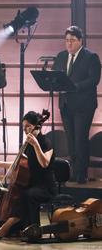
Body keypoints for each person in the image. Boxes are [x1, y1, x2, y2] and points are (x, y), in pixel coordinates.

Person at [0, 111, 55, 240]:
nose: (25, 129)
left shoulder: (45, 142)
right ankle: (18, 228)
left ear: (38, 126)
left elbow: (44, 163)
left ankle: (33, 230)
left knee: (27, 195)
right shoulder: (27, 145)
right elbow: (19, 164)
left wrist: (36, 144)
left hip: (45, 187)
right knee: (15, 194)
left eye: (28, 126)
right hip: (31, 183)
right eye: (23, 126)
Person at [52, 26, 101, 184]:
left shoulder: (91, 57)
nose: (69, 44)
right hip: (65, 104)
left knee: (80, 138)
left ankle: (82, 173)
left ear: (80, 40)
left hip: (84, 105)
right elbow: (55, 75)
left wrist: (74, 86)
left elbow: (94, 80)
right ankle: (73, 171)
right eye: (67, 40)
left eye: (72, 40)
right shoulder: (60, 56)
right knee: (71, 138)